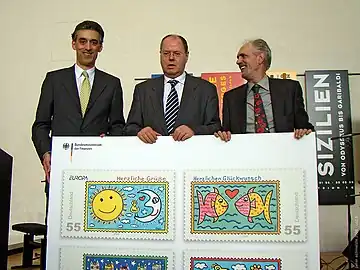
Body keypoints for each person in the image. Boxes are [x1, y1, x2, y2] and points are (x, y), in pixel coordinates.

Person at [31, 20, 125, 219]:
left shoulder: (112, 83)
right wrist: (46, 153)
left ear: (101, 46)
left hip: (97, 170)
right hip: (61, 169)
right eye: (83, 41)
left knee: (96, 224)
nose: (88, 47)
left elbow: (118, 126)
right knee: (58, 227)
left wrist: (108, 143)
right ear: (73, 44)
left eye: (93, 42)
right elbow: (40, 124)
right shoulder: (54, 80)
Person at [125, 34, 221, 143]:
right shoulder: (143, 90)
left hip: (192, 155)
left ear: (186, 56)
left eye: (177, 54)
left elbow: (215, 127)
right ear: (160, 55)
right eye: (166, 53)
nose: (171, 58)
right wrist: (140, 131)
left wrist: (194, 131)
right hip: (153, 155)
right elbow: (130, 127)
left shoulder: (206, 89)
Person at [215, 38, 314, 142]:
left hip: (283, 153)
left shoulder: (289, 90)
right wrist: (222, 135)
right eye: (238, 57)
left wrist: (304, 132)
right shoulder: (231, 98)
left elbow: (304, 127)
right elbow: (226, 133)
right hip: (245, 155)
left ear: (260, 58)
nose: (238, 61)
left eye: (243, 56)